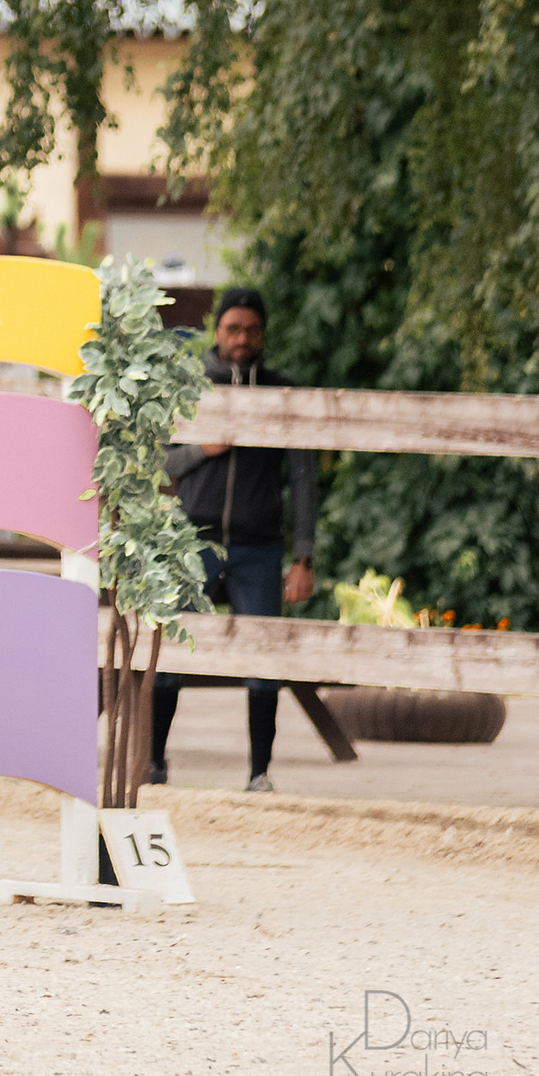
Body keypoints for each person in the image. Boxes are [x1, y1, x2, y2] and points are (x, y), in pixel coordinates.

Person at [154, 286, 321, 792]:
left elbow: (304, 478)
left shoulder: (281, 391)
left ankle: (259, 773)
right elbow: (159, 459)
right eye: (232, 328)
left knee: (263, 658)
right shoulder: (188, 387)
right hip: (192, 540)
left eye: (251, 329)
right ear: (217, 331)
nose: (242, 338)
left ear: (263, 334)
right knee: (170, 655)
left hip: (258, 546)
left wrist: (304, 556)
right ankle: (155, 764)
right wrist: (203, 448)